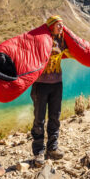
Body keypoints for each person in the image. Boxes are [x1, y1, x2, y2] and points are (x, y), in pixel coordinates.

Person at [31, 15, 72, 167]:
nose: (61, 27)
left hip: (57, 84)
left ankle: (52, 148)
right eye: (58, 25)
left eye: (62, 24)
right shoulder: (41, 40)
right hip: (40, 85)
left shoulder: (62, 40)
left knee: (55, 116)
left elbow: (74, 50)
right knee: (39, 119)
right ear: (50, 26)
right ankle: (39, 152)